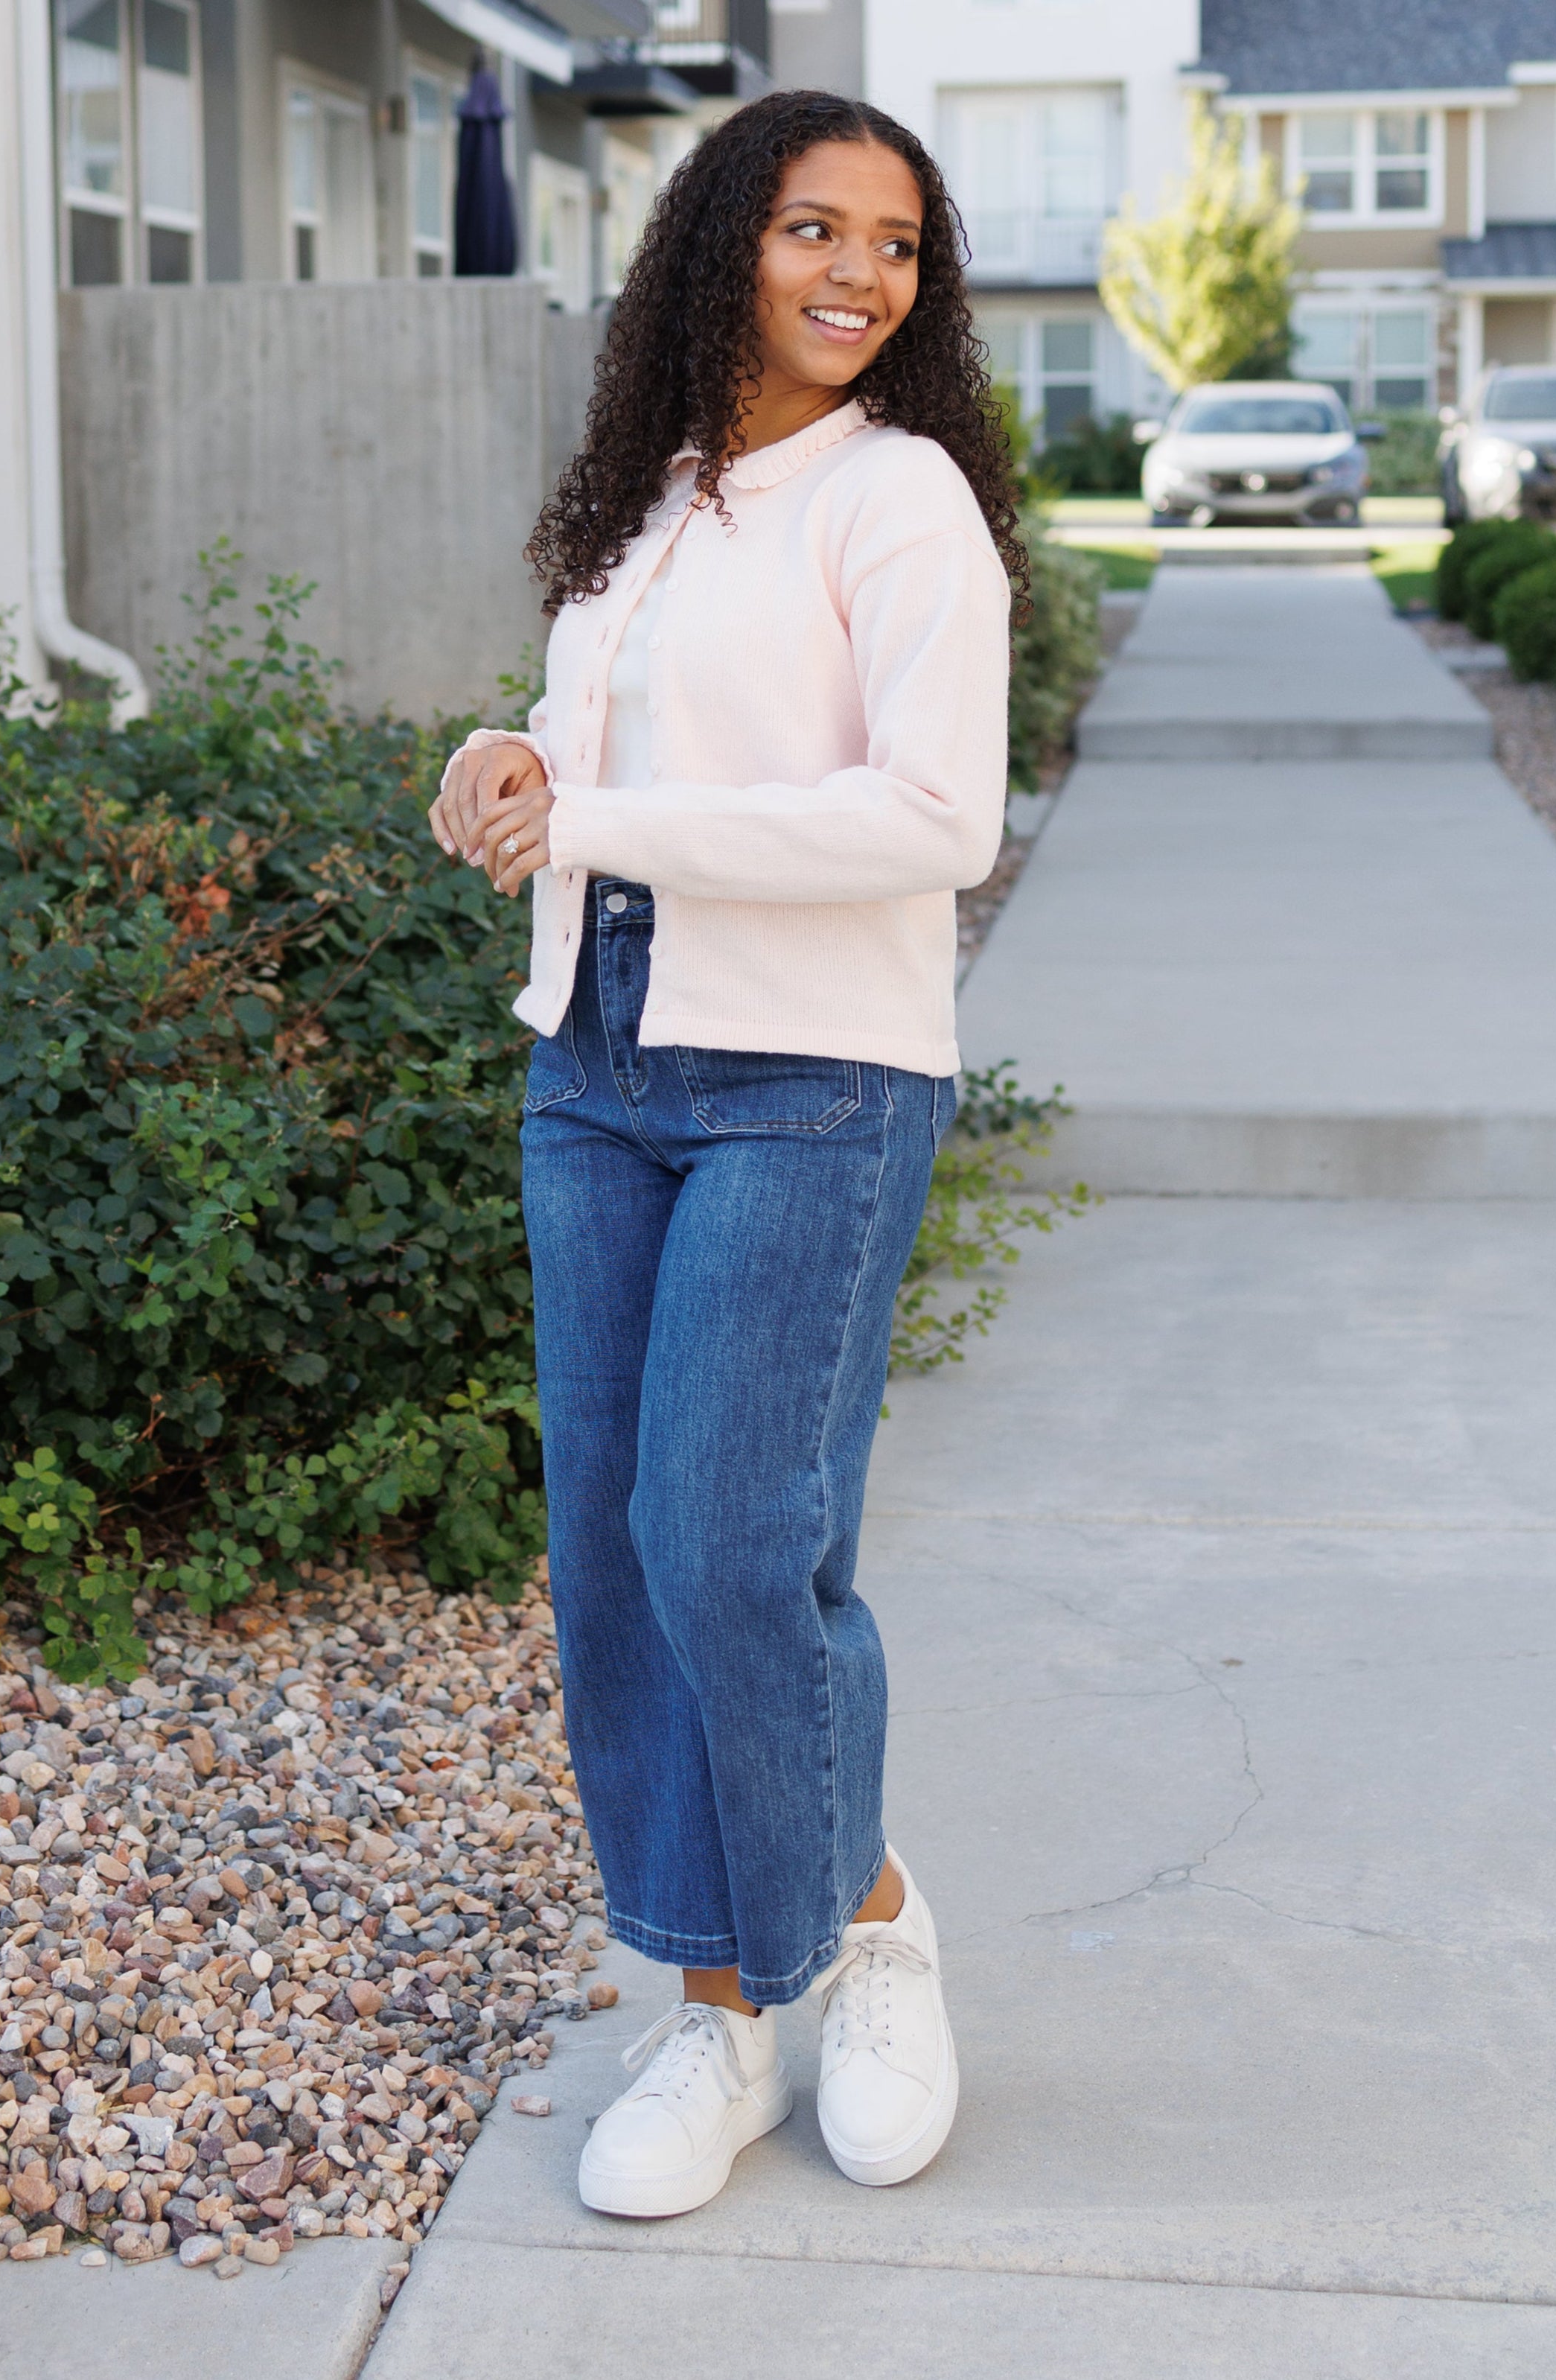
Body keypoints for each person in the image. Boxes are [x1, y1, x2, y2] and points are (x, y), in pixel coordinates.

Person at [428, 88, 1021, 2221]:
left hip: (813, 1075)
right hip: (597, 1059)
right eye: (812, 228)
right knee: (611, 1557)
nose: (859, 273)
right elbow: (601, 746)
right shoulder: (650, 500)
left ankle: (860, 1927)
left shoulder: (904, 502)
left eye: (894, 242)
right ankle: (714, 2004)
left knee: (726, 1537)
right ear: (719, 248)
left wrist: (595, 824)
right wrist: (508, 765)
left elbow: (933, 822)